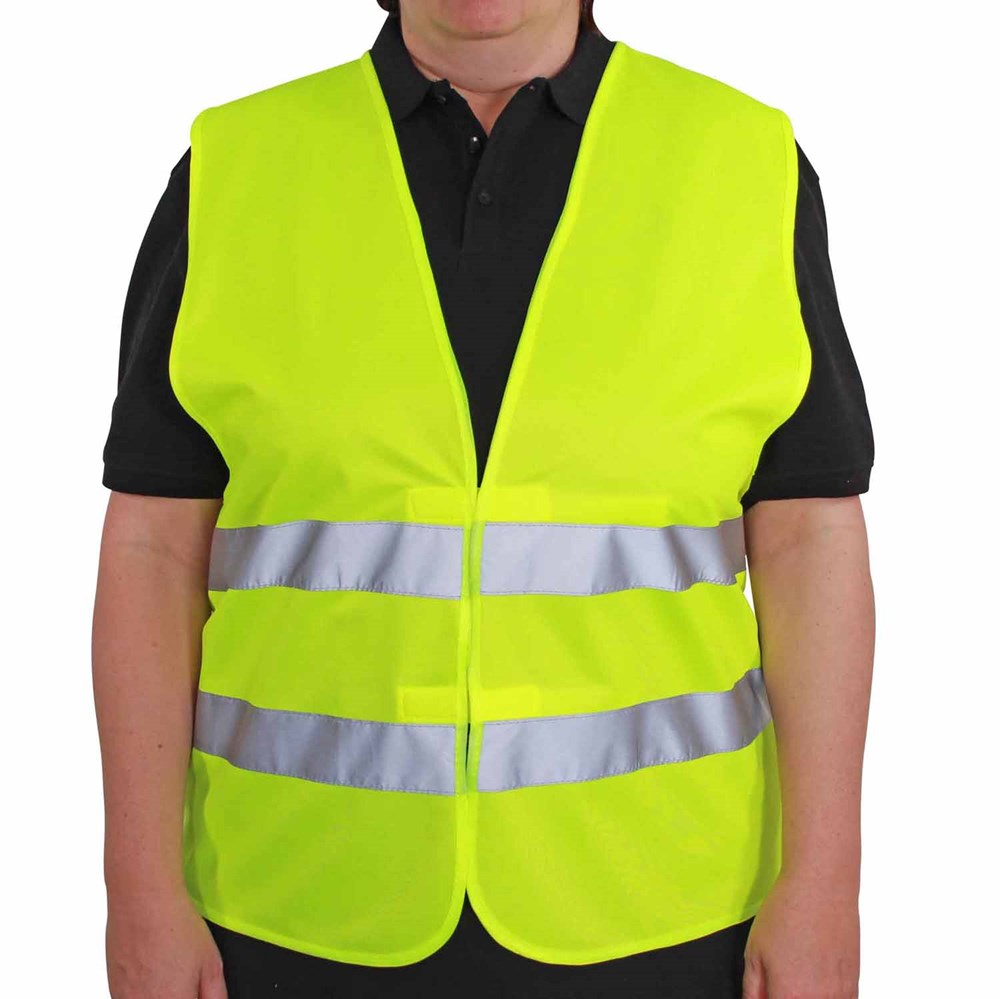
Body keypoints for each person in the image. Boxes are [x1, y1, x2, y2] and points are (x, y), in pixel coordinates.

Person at [93, 1, 876, 997]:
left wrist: (826, 883)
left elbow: (808, 536)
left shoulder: (743, 160)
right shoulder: (236, 166)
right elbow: (154, 544)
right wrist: (139, 889)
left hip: (667, 914)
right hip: (291, 912)